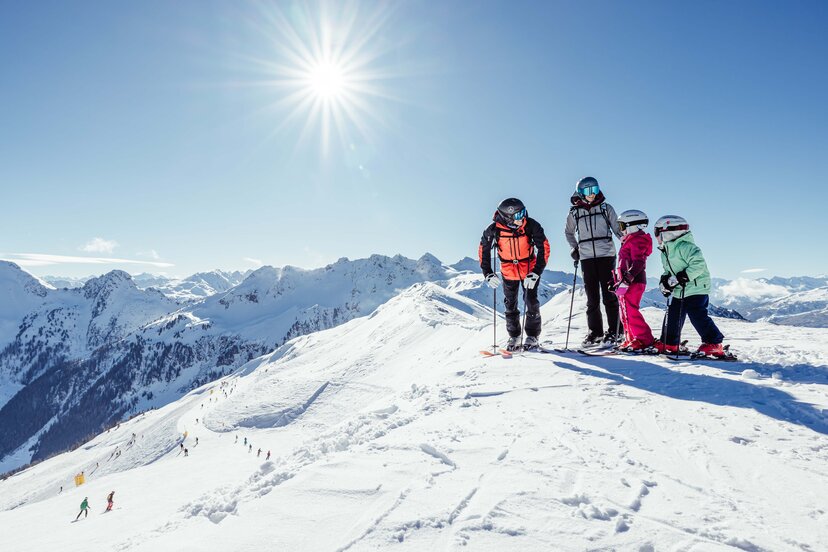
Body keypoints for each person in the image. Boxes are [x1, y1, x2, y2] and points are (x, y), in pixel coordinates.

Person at [479, 198, 551, 351]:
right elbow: (483, 251)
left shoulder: (531, 225)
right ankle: (514, 336)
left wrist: (536, 272)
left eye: (523, 213)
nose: (522, 218)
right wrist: (488, 273)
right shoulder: (493, 230)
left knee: (531, 301)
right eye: (518, 215)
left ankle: (532, 336)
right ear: (508, 217)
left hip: (529, 271)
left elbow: (544, 248)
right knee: (510, 304)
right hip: (508, 270)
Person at [651, 215, 726, 357]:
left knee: (697, 315)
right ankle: (670, 342)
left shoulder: (686, 247)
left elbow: (698, 265)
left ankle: (714, 343)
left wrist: (680, 278)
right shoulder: (666, 250)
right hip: (681, 289)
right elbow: (668, 271)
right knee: (672, 315)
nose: (656, 236)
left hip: (697, 288)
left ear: (669, 231)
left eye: (657, 232)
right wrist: (665, 282)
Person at [564, 176, 623, 346]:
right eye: (588, 191)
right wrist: (574, 248)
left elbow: (617, 229)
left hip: (606, 255)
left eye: (595, 190)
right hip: (587, 257)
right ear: (580, 192)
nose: (592, 195)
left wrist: (626, 244)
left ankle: (616, 331)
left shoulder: (605, 208)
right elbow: (568, 232)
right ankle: (595, 333)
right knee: (592, 298)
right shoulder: (574, 212)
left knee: (609, 295)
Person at [612, 210, 655, 351]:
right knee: (624, 311)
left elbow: (639, 261)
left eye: (622, 226)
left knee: (631, 310)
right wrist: (616, 281)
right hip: (625, 281)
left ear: (632, 225)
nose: (620, 230)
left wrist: (629, 277)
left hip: (634, 281)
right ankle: (631, 338)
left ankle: (643, 339)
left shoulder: (638, 240)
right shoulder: (628, 241)